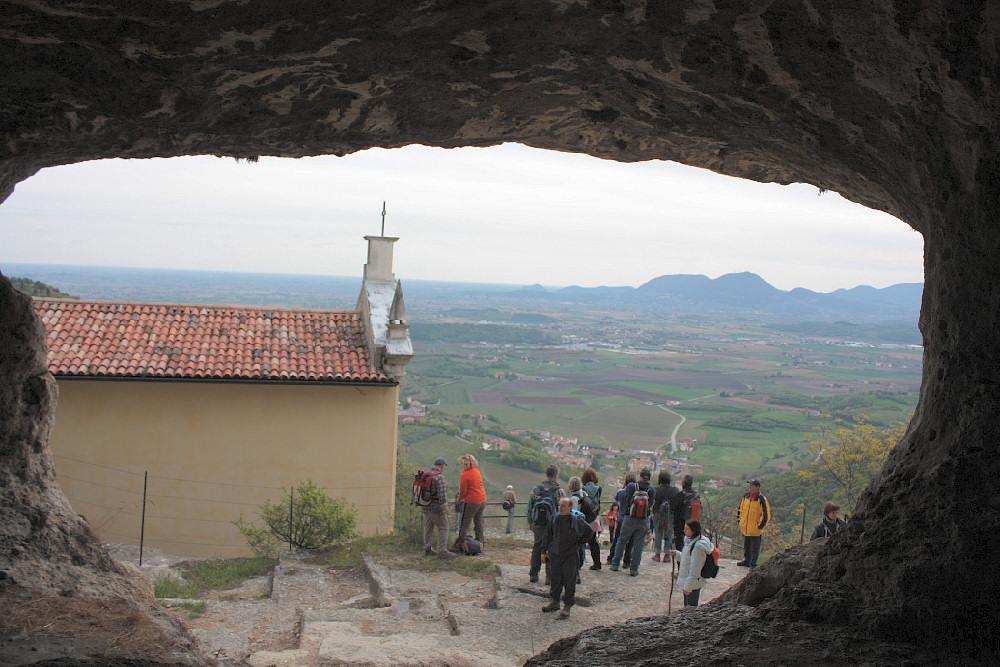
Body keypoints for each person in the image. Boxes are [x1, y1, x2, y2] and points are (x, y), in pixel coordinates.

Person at [540, 498, 595, 619]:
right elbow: (547, 535)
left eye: (563, 506)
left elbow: (590, 532)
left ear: (570, 507)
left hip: (570, 556)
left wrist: (579, 542)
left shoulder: (576, 520)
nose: (561, 507)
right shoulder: (554, 519)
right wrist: (543, 551)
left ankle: (567, 606)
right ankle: (555, 602)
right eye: (560, 505)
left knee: (569, 581)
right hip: (555, 555)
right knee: (555, 579)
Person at [610, 468, 656, 576]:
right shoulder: (652, 490)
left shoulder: (631, 486)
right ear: (649, 478)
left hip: (629, 517)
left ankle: (615, 563)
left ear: (640, 476)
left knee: (622, 540)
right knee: (639, 544)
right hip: (644, 519)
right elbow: (650, 504)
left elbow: (627, 499)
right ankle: (634, 568)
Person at [528, 465, 565, 584]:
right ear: (556, 475)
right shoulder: (559, 491)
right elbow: (563, 509)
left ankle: (533, 573)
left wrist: (530, 522)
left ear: (546, 474)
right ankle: (549, 576)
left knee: (537, 546)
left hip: (538, 523)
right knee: (551, 547)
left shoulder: (536, 489)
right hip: (553, 524)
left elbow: (530, 507)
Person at [672, 519, 713, 606]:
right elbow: (686, 558)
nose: (684, 531)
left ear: (693, 531)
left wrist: (688, 587)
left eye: (687, 529)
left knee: (690, 608)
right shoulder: (690, 542)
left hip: (693, 584)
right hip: (688, 581)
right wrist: (676, 554)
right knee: (687, 606)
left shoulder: (698, 547)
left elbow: (695, 568)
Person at [421, 457, 454, 558]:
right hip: (435, 508)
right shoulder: (439, 477)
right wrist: (445, 507)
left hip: (425, 506)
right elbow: (442, 495)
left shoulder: (426, 475)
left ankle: (427, 548)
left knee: (428, 527)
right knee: (444, 526)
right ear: (442, 465)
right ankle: (442, 550)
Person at [453, 454, 487, 552]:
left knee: (465, 523)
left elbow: (463, 492)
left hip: (472, 501)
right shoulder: (477, 471)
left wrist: (459, 500)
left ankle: (459, 545)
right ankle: (481, 543)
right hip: (482, 499)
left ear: (463, 464)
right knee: (478, 522)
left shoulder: (465, 474)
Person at [737, 479, 770, 569]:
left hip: (755, 529)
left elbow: (765, 515)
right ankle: (747, 561)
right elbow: (740, 509)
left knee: (754, 548)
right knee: (746, 546)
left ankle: (753, 564)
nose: (750, 487)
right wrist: (740, 521)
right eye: (750, 485)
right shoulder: (746, 497)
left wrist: (760, 526)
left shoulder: (761, 499)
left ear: (757, 487)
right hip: (745, 527)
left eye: (753, 485)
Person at [607, 474, 636, 566]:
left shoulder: (621, 492)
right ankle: (627, 561)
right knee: (630, 541)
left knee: (618, 540)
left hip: (621, 518)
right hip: (632, 519)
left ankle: (612, 558)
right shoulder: (636, 492)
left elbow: (616, 498)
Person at [652, 470, 680, 563]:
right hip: (670, 515)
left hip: (658, 514)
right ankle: (667, 555)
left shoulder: (656, 490)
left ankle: (657, 555)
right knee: (668, 533)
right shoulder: (675, 490)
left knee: (658, 533)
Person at [581, 467, 603, 570]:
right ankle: (597, 563)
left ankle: (579, 563)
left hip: (584, 517)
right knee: (593, 541)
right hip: (594, 517)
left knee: (580, 541)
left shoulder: (582, 489)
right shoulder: (598, 489)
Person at [673, 474, 700, 552]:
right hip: (694, 523)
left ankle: (681, 562)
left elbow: (674, 509)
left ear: (683, 483)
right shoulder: (696, 495)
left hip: (681, 524)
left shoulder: (681, 495)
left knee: (680, 545)